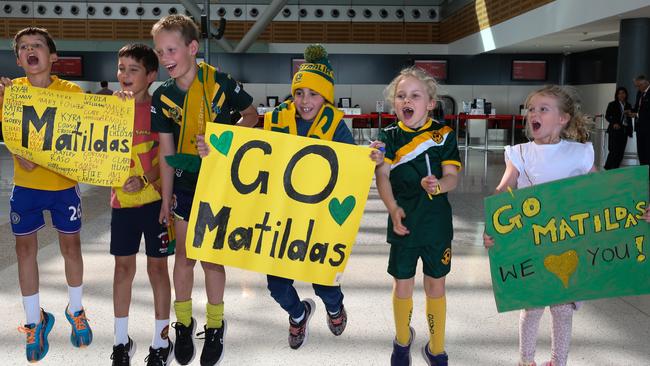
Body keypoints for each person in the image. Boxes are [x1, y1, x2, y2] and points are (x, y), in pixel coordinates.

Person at [150, 14, 258, 366]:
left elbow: (253, 115)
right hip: (184, 182)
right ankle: (183, 324)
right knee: (184, 256)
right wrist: (165, 199)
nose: (164, 57)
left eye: (171, 49)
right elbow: (167, 154)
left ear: (192, 48)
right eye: (159, 50)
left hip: (219, 183)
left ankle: (215, 325)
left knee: (212, 258)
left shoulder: (220, 84)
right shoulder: (163, 95)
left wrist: (224, 141)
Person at [262, 44, 373, 351]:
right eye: (299, 93)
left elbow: (352, 162)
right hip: (281, 216)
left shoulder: (335, 125)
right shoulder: (275, 120)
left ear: (326, 97)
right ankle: (298, 314)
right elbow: (254, 157)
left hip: (320, 218)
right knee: (276, 284)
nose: (305, 101)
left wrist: (371, 157)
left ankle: (335, 308)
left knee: (324, 281)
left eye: (313, 94)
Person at [484, 85, 596, 366]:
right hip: (530, 241)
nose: (533, 113)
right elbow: (504, 188)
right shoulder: (520, 153)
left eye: (543, 109)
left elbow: (605, 191)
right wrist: (493, 225)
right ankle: (526, 360)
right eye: (531, 109)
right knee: (531, 306)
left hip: (567, 240)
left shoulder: (580, 153)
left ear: (563, 118)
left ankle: (558, 361)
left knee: (563, 309)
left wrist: (635, 209)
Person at [0, 27, 92, 362]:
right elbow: (9, 131)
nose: (30, 50)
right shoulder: (10, 92)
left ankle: (76, 310)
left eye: (37, 45)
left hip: (63, 185)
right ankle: (33, 320)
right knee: (25, 251)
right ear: (19, 59)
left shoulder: (70, 91)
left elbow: (92, 129)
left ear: (53, 57)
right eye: (23, 47)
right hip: (26, 188)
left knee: (71, 248)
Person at [373, 66, 460, 366]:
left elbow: (452, 177)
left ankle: (437, 349)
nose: (406, 101)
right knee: (403, 285)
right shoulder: (388, 136)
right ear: (394, 103)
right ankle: (402, 341)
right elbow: (382, 176)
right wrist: (392, 208)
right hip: (403, 224)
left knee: (436, 286)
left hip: (436, 226)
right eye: (400, 96)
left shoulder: (443, 135)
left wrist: (438, 186)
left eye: (414, 95)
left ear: (430, 103)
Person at [109, 43, 175, 366]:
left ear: (151, 75)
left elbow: (167, 156)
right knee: (122, 270)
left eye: (133, 69)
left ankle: (161, 341)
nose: (124, 75)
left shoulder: (159, 109)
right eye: (121, 68)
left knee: (157, 269)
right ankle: (121, 342)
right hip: (121, 203)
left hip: (154, 203)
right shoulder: (109, 108)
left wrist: (148, 180)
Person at [603, 86, 633, 169]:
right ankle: (608, 169)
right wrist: (614, 123)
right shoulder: (612, 104)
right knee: (613, 151)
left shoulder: (628, 105)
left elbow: (630, 117)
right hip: (615, 130)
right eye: (619, 93)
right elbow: (607, 116)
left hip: (624, 131)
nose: (621, 95)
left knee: (620, 152)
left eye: (623, 93)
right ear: (617, 95)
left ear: (626, 94)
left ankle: (615, 169)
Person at [632, 75, 650, 173]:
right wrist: (630, 112)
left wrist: (637, 114)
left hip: (648, 128)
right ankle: (643, 171)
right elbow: (636, 107)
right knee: (641, 151)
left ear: (646, 82)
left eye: (639, 85)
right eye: (636, 86)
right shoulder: (639, 93)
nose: (638, 88)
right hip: (640, 128)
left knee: (647, 151)